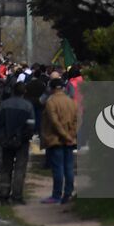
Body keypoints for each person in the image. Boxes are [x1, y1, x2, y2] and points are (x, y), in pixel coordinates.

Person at [41, 73, 79, 204]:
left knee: (58, 168)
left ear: (51, 88)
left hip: (56, 139)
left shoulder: (50, 102)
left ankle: (56, 195)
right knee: (69, 168)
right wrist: (72, 136)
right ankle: (68, 193)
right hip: (69, 141)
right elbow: (76, 121)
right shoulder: (72, 102)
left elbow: (54, 122)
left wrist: (65, 136)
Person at [0, 83, 36, 205]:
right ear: (24, 92)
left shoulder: (4, 105)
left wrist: (2, 137)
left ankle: (3, 195)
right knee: (20, 169)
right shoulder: (28, 106)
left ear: (13, 91)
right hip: (22, 142)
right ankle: (17, 196)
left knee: (6, 169)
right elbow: (31, 125)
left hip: (6, 141)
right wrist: (24, 137)